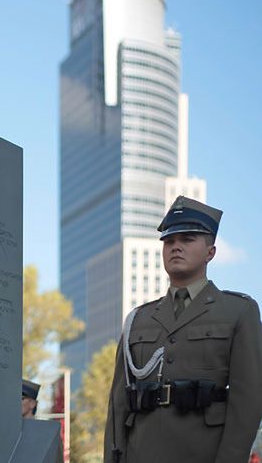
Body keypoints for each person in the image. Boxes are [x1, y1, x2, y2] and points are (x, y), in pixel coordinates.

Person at [104, 196, 262, 463]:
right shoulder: (138, 319)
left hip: (204, 453)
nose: (175, 247)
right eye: (169, 241)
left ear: (210, 252)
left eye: (187, 239)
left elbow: (246, 403)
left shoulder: (238, 312)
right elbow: (118, 406)